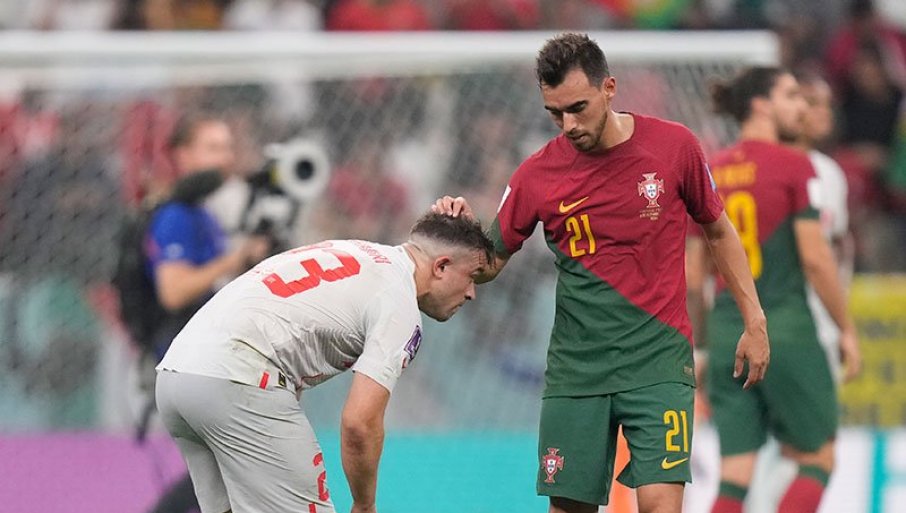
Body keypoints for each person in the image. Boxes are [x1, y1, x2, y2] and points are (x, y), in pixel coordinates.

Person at [434, 32, 769, 513]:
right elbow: (487, 265)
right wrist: (460, 233)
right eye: (555, 113)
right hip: (577, 372)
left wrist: (754, 320)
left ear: (609, 88)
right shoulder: (536, 175)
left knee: (661, 505)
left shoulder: (674, 147)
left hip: (658, 363)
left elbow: (719, 231)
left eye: (578, 108)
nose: (568, 125)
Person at [154, 211, 493, 513]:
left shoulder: (355, 251)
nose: (471, 293)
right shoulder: (399, 303)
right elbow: (359, 423)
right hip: (237, 377)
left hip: (176, 373)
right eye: (473, 277)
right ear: (441, 266)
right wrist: (364, 504)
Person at [688, 66, 861, 513]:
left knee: (734, 474)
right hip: (785, 329)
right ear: (762, 105)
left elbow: (691, 276)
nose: (800, 107)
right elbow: (817, 259)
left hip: (727, 335)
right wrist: (846, 329)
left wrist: (702, 347)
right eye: (790, 96)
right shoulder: (794, 165)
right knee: (818, 457)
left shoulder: (710, 172)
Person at [743, 72, 862, 513]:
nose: (820, 112)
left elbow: (836, 247)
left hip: (793, 322)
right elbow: (816, 257)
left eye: (826, 103)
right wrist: (845, 326)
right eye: (808, 100)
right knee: (811, 449)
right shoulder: (782, 169)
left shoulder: (829, 173)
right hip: (796, 324)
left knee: (777, 448)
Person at [143, 112, 270, 513]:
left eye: (228, 148)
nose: (225, 158)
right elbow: (173, 291)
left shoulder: (202, 214)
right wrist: (234, 259)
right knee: (231, 467)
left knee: (222, 472)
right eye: (212, 148)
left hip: (206, 360)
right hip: (190, 365)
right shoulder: (176, 215)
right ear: (182, 156)